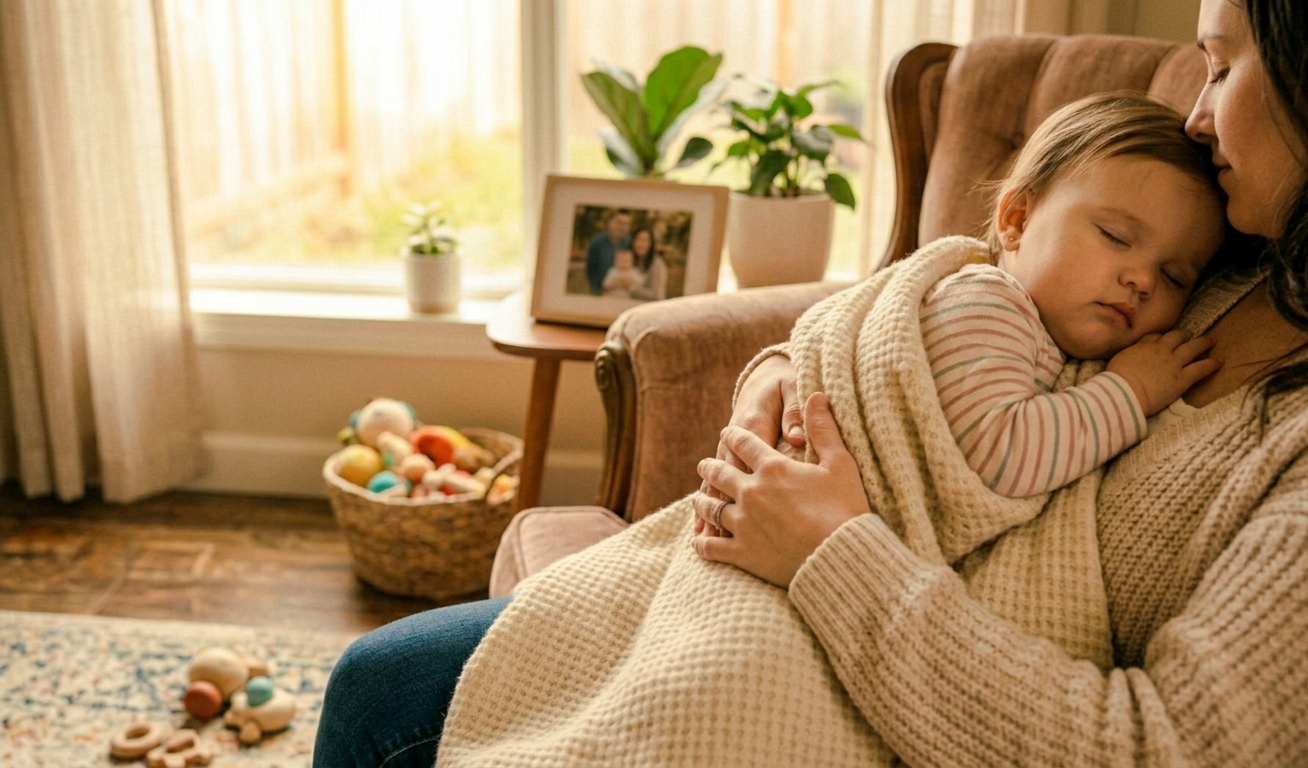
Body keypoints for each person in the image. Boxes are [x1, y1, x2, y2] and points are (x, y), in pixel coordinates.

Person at [313, 1, 1308, 764]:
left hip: (909, 665)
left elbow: (1155, 749)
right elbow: (921, 330)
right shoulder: (1227, 242)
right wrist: (785, 375)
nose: (1195, 112)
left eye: (1224, 66)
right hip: (796, 562)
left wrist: (832, 551)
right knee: (371, 682)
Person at [584, 209, 631, 295]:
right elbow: (591, 269)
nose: (621, 227)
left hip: (623, 294)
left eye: (626, 224)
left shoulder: (629, 243)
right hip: (600, 291)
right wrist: (597, 290)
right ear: (610, 222)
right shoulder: (597, 242)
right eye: (619, 222)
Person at [628, 227, 669, 301]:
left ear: (651, 244)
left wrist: (632, 288)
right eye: (638, 239)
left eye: (645, 240)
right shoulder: (628, 260)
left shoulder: (658, 264)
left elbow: (657, 295)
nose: (641, 244)